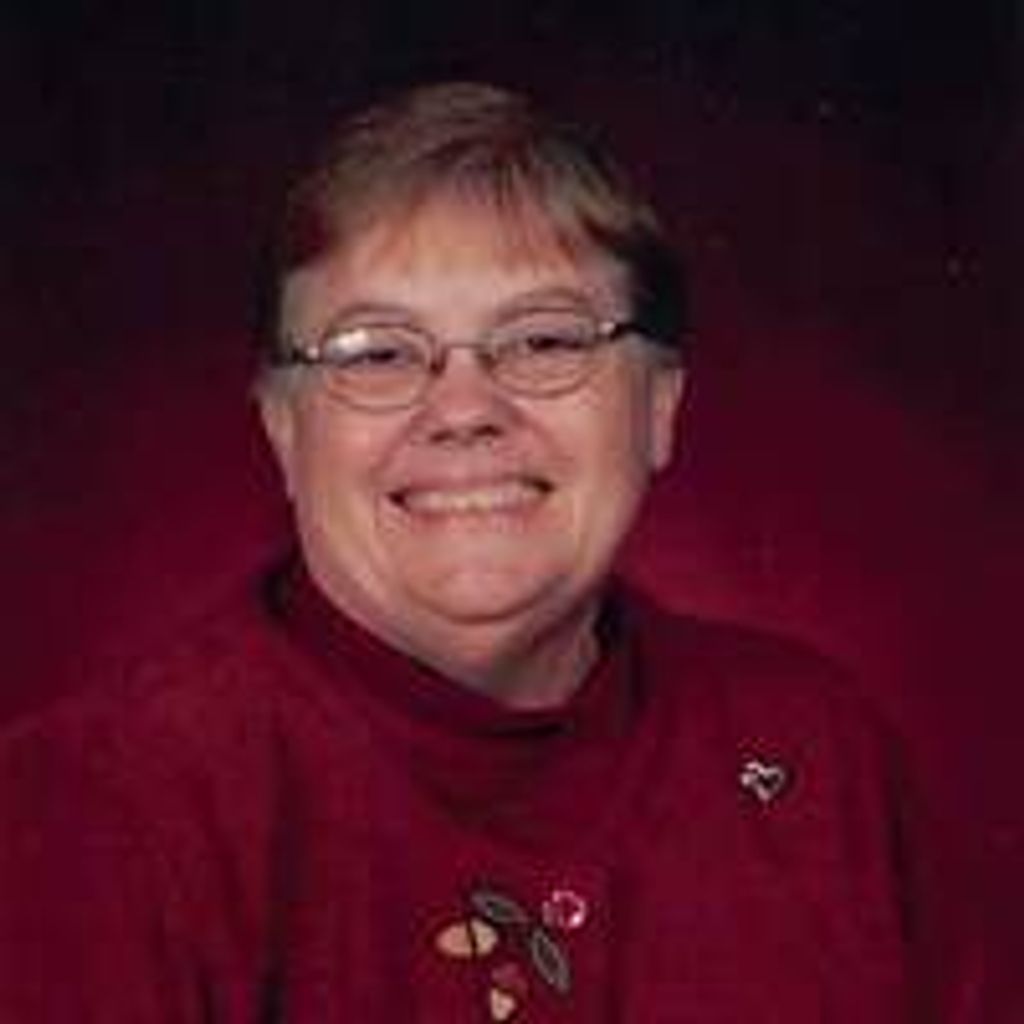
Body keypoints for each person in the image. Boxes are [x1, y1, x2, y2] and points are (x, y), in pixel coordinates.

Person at [0, 81, 998, 1022]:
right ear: (283, 430)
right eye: (377, 352)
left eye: (545, 341)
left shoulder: (816, 750)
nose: (465, 408)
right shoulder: (90, 809)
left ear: (659, 406)